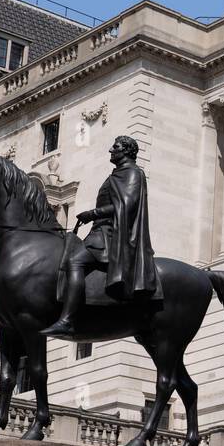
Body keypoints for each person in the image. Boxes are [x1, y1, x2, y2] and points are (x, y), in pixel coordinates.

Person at [41, 135, 160, 337]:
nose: (111, 150)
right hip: (100, 232)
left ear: (127, 150)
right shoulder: (117, 175)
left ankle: (67, 319)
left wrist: (92, 214)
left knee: (75, 261)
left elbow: (126, 205)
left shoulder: (132, 173)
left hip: (111, 235)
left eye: (116, 147)